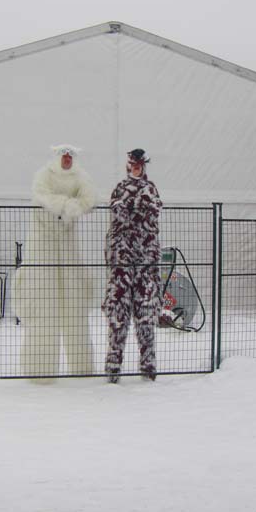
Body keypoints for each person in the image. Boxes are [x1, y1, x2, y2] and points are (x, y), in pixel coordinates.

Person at [15, 144, 97, 382]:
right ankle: (40, 370)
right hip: (43, 239)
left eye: (71, 156)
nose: (68, 159)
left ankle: (81, 367)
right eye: (64, 155)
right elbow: (41, 196)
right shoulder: (44, 175)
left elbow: (89, 198)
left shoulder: (81, 177)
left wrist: (74, 207)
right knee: (43, 303)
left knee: (73, 304)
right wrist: (66, 205)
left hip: (68, 239)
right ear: (58, 156)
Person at [103, 148, 163, 383]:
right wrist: (137, 208)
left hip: (146, 264)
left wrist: (133, 207)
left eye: (139, 164)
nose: (136, 167)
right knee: (118, 316)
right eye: (132, 164)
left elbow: (153, 212)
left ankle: (148, 367)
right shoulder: (120, 188)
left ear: (143, 166)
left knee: (146, 316)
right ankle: (113, 368)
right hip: (122, 264)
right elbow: (119, 214)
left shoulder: (151, 188)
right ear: (128, 165)